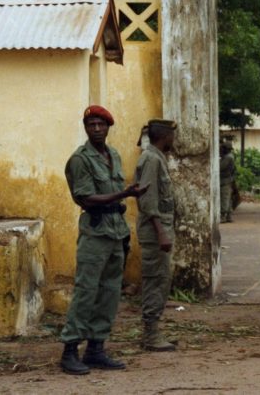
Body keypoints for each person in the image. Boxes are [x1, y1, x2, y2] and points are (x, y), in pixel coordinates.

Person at [60, 105, 148, 376]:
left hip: (115, 230)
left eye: (101, 124)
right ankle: (70, 350)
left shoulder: (113, 155)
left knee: (110, 293)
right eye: (91, 125)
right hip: (95, 231)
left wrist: (122, 203)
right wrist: (125, 194)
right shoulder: (80, 159)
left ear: (109, 127)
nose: (96, 129)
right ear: (86, 128)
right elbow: (86, 198)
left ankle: (96, 349)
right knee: (86, 292)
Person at [134, 119, 177, 352]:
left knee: (161, 279)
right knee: (155, 280)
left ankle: (154, 330)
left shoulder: (157, 157)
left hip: (159, 230)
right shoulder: (151, 159)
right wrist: (161, 234)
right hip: (154, 233)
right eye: (172, 136)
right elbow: (148, 201)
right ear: (165, 136)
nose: (174, 140)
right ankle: (151, 335)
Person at [219, 141, 236, 223]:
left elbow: (220, 167)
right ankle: (229, 216)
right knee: (228, 199)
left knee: (224, 198)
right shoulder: (228, 156)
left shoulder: (228, 157)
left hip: (225, 180)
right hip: (227, 180)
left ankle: (223, 216)